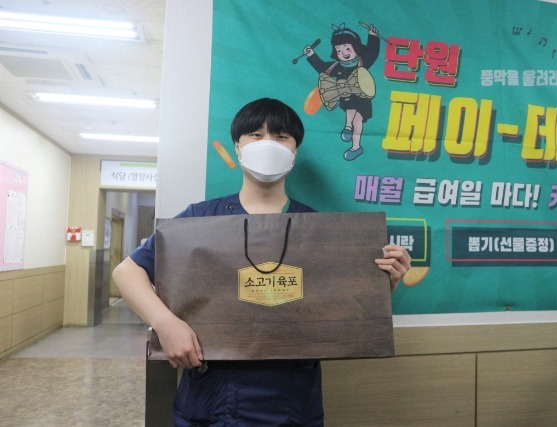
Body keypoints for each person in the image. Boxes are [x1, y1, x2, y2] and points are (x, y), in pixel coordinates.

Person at [112, 98, 412, 426]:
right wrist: (166, 324)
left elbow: (337, 308)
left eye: (281, 137)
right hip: (212, 393)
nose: (268, 144)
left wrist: (381, 284)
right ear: (238, 147)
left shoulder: (319, 228)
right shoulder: (201, 218)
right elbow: (128, 272)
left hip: (293, 398)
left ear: (295, 150)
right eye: (256, 135)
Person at [304, 23, 380, 161]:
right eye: (339, 50)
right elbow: (321, 67)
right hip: (346, 98)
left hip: (363, 99)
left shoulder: (363, 61)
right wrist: (311, 55)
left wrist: (373, 36)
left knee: (358, 120)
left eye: (347, 48)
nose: (344, 53)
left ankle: (355, 147)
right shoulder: (335, 66)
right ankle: (347, 127)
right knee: (350, 108)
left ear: (356, 48)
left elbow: (373, 53)